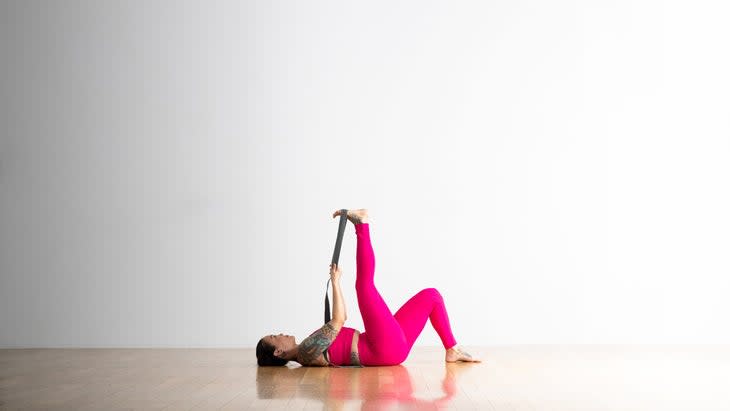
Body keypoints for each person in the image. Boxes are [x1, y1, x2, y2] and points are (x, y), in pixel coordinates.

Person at [256, 209, 481, 367]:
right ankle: (362, 225)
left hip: (386, 347)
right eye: (276, 337)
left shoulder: (308, 348)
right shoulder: (306, 351)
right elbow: (339, 319)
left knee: (431, 296)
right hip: (381, 348)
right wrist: (335, 282)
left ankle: (452, 349)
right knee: (363, 286)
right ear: (278, 352)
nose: (281, 333)